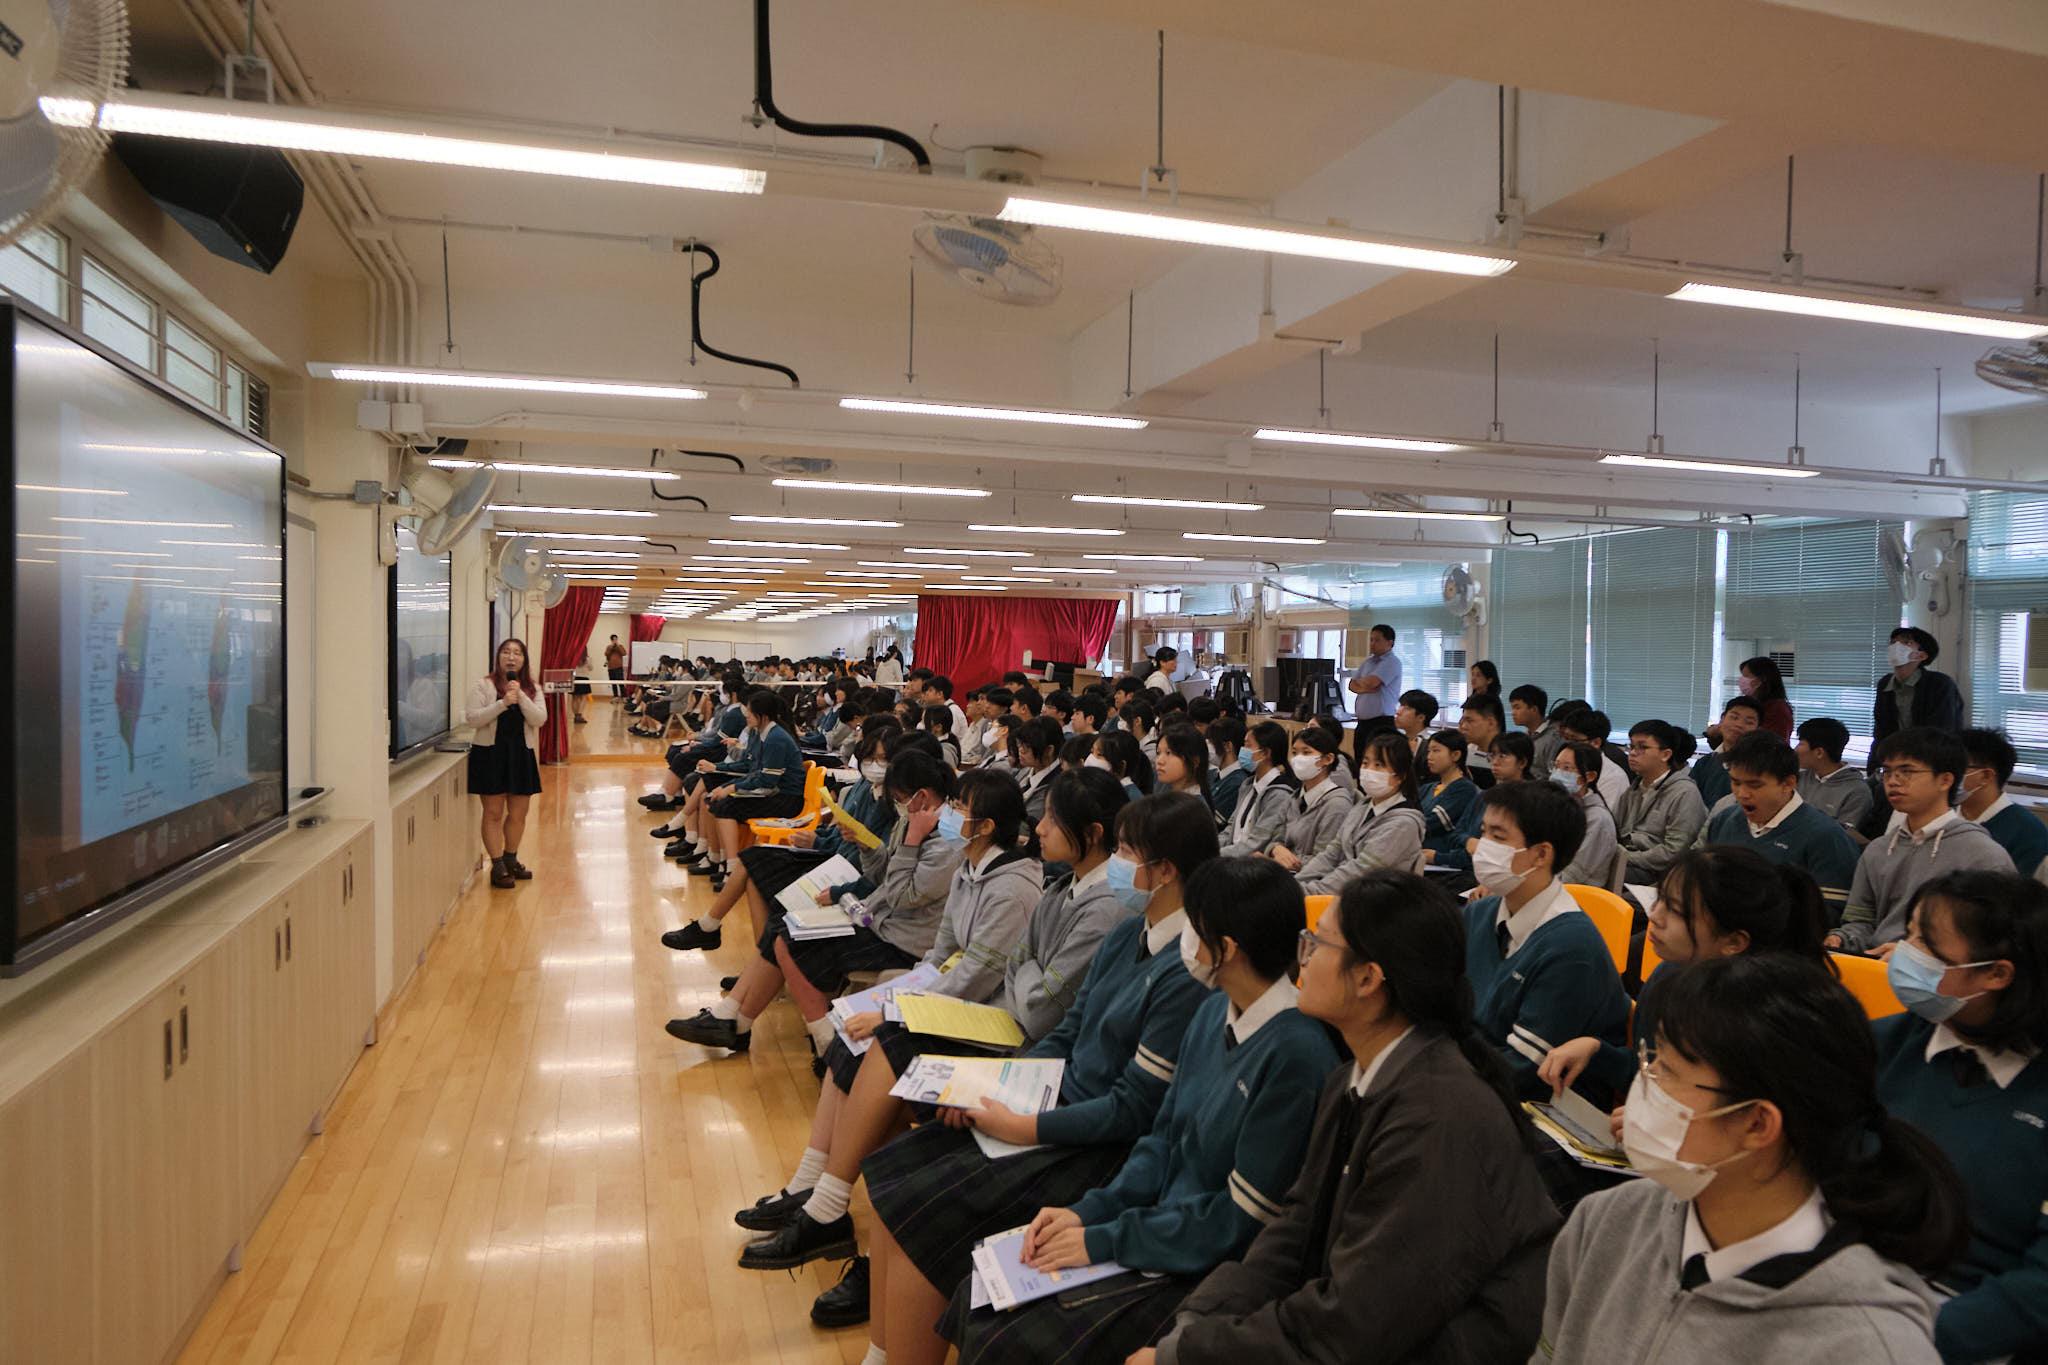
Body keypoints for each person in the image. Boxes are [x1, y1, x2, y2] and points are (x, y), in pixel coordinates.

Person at [854, 795, 1220, 1364]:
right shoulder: (1128, 934)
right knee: (892, 1174)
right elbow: (1068, 1031)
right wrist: (995, 1084)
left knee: (923, 1212)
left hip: (1095, 1142)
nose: (1115, 863)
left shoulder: (1186, 967)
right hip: (1050, 1098)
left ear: (1167, 870)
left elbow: (1133, 1108)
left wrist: (1025, 1125)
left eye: (1126, 852)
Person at [1147, 869, 1559, 1365]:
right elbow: (1295, 1228)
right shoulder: (1353, 1078)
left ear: (1367, 978)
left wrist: (1192, 1352)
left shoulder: (1438, 1118)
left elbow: (1351, 1326)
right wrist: (1197, 1324)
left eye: (1318, 943)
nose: (1303, 956)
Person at [941, 860, 1340, 1365]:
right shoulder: (1214, 1010)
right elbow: (1162, 1138)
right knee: (978, 1293)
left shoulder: (1297, 1056)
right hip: (1157, 1228)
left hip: (1206, 1270)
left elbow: (1238, 1221)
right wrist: (1088, 1212)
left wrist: (1107, 1239)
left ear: (1227, 949)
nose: (1185, 939)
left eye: (1194, 926)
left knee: (1015, 1342)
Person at [1533, 954, 1966, 1365]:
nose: (1646, 1084)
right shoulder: (1607, 1221)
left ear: (1758, 1123)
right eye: (1652, 1059)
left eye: (1669, 1071)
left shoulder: (1868, 1347)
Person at [665, 748, 963, 1053]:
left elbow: (903, 897)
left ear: (922, 797)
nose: (898, 806)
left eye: (900, 798)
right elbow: (883, 875)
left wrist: (911, 843)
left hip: (901, 940)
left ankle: (824, 1041)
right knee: (786, 924)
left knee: (790, 940)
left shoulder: (946, 840)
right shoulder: (913, 821)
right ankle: (734, 1020)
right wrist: (867, 847)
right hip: (878, 918)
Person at [1872, 871, 2048, 1365]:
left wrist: (1898, 1344)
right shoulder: (1882, 1044)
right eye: (1909, 933)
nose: (1903, 954)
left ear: (1997, 975)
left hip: (1962, 1328)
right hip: (1846, 1287)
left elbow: (2039, 1289)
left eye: (1927, 946)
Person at [1539, 845, 1832, 1104]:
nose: (1655, 916)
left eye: (1677, 911)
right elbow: (1652, 1074)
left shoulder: (1761, 1023)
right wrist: (1597, 1052)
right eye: (1659, 898)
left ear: (1733, 942)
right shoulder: (1668, 976)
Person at [1460, 779, 1629, 1104]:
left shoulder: (1572, 949)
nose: (1483, 847)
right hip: (1474, 1079)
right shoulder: (1481, 913)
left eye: (1498, 837)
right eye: (1484, 833)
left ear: (1540, 854)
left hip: (1540, 1106)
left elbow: (1522, 1070)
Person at [1828, 728, 2014, 957]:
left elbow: (1993, 940)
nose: (1893, 781)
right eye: (1887, 771)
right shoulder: (1878, 849)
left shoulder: (1983, 855)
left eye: (1907, 771)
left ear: (1945, 780)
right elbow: (1860, 921)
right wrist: (1842, 938)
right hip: (1876, 965)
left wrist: (1918, 954)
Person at [1701, 733, 1860, 922]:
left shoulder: (1826, 836)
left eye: (1755, 785)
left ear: (1787, 784)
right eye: (1736, 782)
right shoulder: (1724, 820)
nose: (1742, 794)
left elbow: (1827, 913)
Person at [1294, 731, 1427, 896]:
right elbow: (1331, 854)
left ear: (1400, 776)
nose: (1369, 770)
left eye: (1378, 765)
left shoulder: (1404, 824)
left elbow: (1361, 870)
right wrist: (1295, 885)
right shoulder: (1362, 807)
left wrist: (1309, 891)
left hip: (1377, 902)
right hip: (1344, 894)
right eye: (1365, 763)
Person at [465, 637, 547, 888]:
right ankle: (497, 864)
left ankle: (511, 858)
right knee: (493, 813)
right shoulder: (483, 685)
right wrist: (503, 703)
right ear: (498, 657)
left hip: (521, 755)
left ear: (524, 659)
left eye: (517, 653)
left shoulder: (533, 688)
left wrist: (520, 695)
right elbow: (473, 718)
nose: (511, 657)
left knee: (519, 813)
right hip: (490, 754)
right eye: (506, 652)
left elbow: (539, 719)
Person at [1615, 720, 1708, 884]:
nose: (1632, 753)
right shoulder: (1634, 788)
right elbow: (1617, 832)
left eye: (1642, 747)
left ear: (1665, 754)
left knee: (1600, 869)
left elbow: (1674, 852)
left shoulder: (1684, 792)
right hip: (1628, 861)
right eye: (1631, 746)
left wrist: (1625, 857)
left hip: (1660, 874)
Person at [1260, 726, 1355, 871]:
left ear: (1328, 759)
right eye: (1294, 752)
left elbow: (1326, 860)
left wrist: (1282, 860)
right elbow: (1275, 837)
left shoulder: (1337, 804)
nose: (1298, 758)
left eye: (1306, 752)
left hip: (1311, 877)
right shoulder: (1295, 797)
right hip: (1284, 872)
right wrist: (1275, 848)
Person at [1958, 727, 2048, 878]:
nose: (1945, 775)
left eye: (1956, 768)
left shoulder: (2028, 832)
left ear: (1985, 776)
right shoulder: (1943, 815)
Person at [1218, 721, 1297, 857]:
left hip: (1251, 862)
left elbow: (1257, 843)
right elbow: (1231, 828)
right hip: (1230, 857)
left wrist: (1213, 854)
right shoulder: (1248, 785)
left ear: (1265, 753)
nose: (1243, 750)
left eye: (1248, 745)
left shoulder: (1279, 794)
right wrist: (1210, 847)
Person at [1875, 625, 1965, 744]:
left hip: (1932, 752)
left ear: (1922, 655)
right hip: (1894, 752)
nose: (1896, 647)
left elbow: (1942, 731)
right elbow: (1881, 732)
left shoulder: (1940, 684)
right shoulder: (1885, 683)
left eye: (1906, 643)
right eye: (1893, 642)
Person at [1553, 742, 1620, 890]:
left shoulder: (1598, 819)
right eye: (1556, 766)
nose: (1557, 773)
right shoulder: (1560, 807)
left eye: (1566, 768)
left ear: (1589, 776)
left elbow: (1572, 877)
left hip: (1578, 895)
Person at [1795, 716, 1875, 838]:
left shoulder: (1857, 791)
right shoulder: (1799, 778)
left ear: (1819, 753)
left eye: (1801, 743)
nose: (1795, 750)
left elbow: (1843, 836)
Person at [1416, 729, 1480, 865]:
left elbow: (1433, 823)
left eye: (1436, 750)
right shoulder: (1427, 788)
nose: (1429, 757)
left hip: (1442, 862)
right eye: (1428, 751)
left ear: (1456, 755)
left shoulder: (1464, 789)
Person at [1691, 697, 1765, 809]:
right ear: (1722, 719)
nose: (1739, 725)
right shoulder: (1704, 763)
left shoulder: (1760, 767)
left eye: (1749, 722)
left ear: (1757, 729)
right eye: (1734, 717)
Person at [1346, 623, 1402, 758]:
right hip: (1362, 723)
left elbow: (1373, 682)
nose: (1372, 644)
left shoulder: (1392, 662)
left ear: (1390, 643)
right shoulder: (1368, 662)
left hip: (1381, 723)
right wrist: (1365, 686)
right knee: (1360, 759)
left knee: (1378, 760)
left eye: (1377, 640)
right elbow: (1351, 685)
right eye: (1371, 639)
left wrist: (1362, 684)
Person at [1154, 722, 1213, 807]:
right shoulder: (1164, 788)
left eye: (1169, 753)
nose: (1159, 761)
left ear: (1195, 761)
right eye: (1158, 752)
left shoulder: (1194, 808)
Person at [1089, 729, 1156, 803]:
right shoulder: (1104, 788)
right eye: (1092, 752)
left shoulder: (1130, 799)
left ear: (1121, 765)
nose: (1092, 758)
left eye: (1099, 754)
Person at [1737, 655, 1794, 739]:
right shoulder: (1749, 704)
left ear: (1761, 679)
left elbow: (1771, 741)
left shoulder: (1777, 709)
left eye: (1746, 676)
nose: (1741, 680)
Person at [1512, 683, 1560, 778]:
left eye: (1517, 708)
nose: (1513, 713)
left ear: (1533, 709)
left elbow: (1554, 777)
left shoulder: (1553, 738)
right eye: (1513, 708)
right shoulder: (1526, 736)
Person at [1207, 717, 1250, 822]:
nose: (1207, 747)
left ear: (1227, 746)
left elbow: (1212, 821)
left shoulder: (1237, 783)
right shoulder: (1217, 775)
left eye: (1211, 742)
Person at [1392, 687, 1438, 758]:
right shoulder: (1395, 739)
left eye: (1406, 708)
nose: (1398, 712)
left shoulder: (1431, 744)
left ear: (1421, 717)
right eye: (1400, 706)